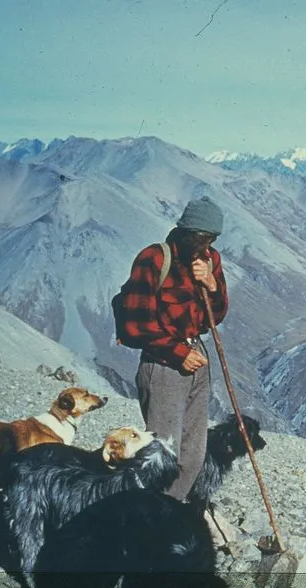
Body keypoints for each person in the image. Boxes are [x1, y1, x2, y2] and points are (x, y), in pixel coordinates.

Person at [118, 196, 228, 502]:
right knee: (163, 455)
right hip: (164, 366)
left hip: (197, 358)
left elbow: (216, 316)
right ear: (187, 231)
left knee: (192, 456)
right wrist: (179, 353)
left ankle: (169, 511)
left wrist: (212, 285)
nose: (208, 246)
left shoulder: (210, 260)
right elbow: (136, 324)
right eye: (204, 238)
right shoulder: (154, 259)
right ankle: (146, 515)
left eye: (213, 239)